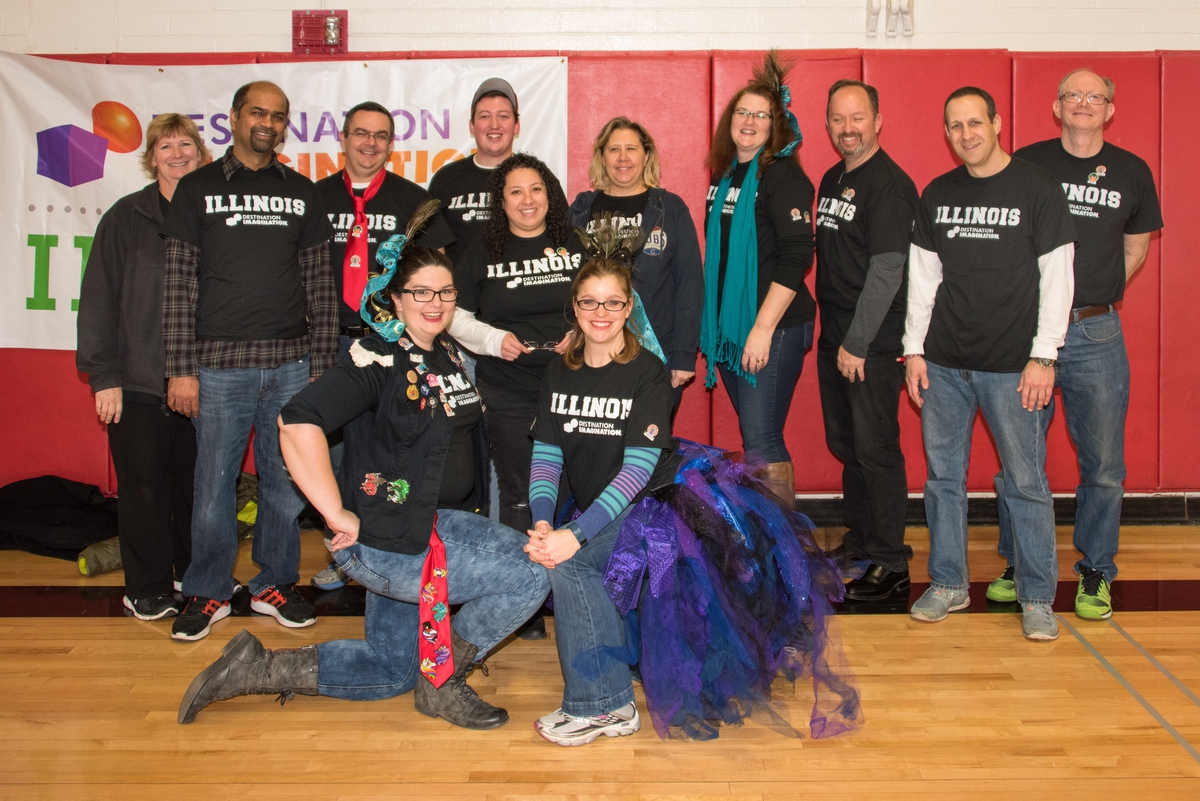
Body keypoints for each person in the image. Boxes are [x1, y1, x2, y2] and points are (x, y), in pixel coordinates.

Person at [178, 224, 549, 728]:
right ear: (395, 299)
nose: (435, 302)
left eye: (445, 292)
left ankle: (255, 667)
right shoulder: (373, 358)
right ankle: (441, 682)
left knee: (388, 670)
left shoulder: (447, 352)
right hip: (394, 538)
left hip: (436, 526)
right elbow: (296, 421)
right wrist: (333, 512)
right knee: (532, 574)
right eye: (421, 292)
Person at [525, 256, 859, 745]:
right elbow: (547, 454)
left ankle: (604, 706)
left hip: (652, 502)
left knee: (572, 562)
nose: (601, 313)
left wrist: (573, 535)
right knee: (565, 558)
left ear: (628, 307)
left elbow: (638, 470)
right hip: (602, 503)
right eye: (589, 302)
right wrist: (540, 521)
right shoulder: (560, 371)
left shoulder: (646, 372)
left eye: (613, 302)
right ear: (574, 307)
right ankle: (607, 697)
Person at [161, 81, 337, 641]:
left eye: (278, 116)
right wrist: (179, 367)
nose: (268, 122)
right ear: (234, 118)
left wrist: (323, 365)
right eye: (257, 113)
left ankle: (275, 583)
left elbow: (320, 287)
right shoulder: (197, 188)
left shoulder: (303, 193)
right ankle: (208, 589)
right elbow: (176, 284)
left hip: (291, 363)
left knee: (285, 484)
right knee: (213, 485)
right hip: (217, 366)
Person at [989, 69, 1164, 620]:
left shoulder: (1133, 171)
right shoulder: (1026, 163)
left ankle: (1095, 572)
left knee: (1105, 465)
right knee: (1021, 460)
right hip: (1029, 330)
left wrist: (1096, 295)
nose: (1083, 104)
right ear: (1056, 106)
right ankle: (1023, 562)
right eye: (1072, 95)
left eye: (1095, 97)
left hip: (1097, 332)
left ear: (1109, 109)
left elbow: (1134, 248)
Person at [904, 86, 1076, 641]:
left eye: (975, 123)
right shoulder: (937, 192)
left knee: (1025, 483)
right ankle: (949, 583)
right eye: (955, 126)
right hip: (946, 365)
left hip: (1014, 367)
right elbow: (923, 280)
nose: (966, 135)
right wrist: (913, 349)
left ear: (998, 123)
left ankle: (1037, 596)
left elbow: (1058, 279)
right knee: (943, 479)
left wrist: (1043, 356)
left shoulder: (1037, 188)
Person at [309, 100, 456, 592]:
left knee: (382, 457)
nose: (370, 143)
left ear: (391, 144)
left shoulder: (414, 201)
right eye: (360, 133)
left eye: (380, 135)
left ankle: (381, 553)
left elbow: (436, 279)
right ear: (344, 138)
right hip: (329, 344)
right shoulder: (314, 198)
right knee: (331, 459)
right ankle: (342, 551)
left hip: (391, 349)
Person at [76, 114, 210, 621]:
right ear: (150, 157)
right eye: (166, 146)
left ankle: (192, 573)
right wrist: (103, 376)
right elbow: (98, 300)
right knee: (145, 487)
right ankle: (147, 585)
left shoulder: (212, 217)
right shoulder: (124, 217)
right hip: (135, 381)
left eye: (186, 145)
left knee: (196, 487)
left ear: (201, 153)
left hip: (204, 380)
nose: (177, 154)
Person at [815, 80, 919, 601]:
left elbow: (888, 270)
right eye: (838, 119)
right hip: (835, 331)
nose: (848, 128)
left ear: (878, 121)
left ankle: (891, 561)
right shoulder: (832, 178)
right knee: (847, 443)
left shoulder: (890, 186)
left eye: (857, 118)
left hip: (870, 340)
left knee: (876, 448)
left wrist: (856, 342)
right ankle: (862, 540)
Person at [702, 51, 816, 505]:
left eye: (761, 115)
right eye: (742, 112)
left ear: (776, 126)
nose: (749, 121)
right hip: (735, 327)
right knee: (756, 440)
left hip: (773, 327)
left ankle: (786, 554)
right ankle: (772, 543)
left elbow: (796, 255)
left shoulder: (782, 175)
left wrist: (761, 330)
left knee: (762, 440)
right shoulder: (725, 173)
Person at [453, 153, 582, 539]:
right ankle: (523, 588)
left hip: (574, 387)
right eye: (516, 192)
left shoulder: (577, 244)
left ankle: (570, 589)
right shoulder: (480, 252)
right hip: (508, 390)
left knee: (575, 491)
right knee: (519, 495)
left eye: (536, 189)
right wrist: (493, 340)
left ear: (549, 194)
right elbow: (454, 316)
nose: (528, 200)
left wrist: (584, 332)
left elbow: (610, 304)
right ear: (502, 200)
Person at [567, 117, 703, 408]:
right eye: (613, 149)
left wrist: (683, 355)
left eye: (631, 148)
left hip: (657, 355)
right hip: (592, 352)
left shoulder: (670, 209)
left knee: (647, 445)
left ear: (646, 156)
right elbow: (566, 281)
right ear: (601, 158)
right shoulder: (581, 210)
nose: (623, 157)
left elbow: (690, 284)